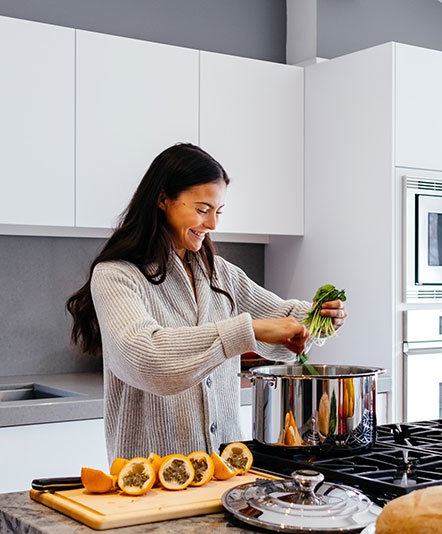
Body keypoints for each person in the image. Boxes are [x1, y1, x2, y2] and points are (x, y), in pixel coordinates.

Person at [67, 143, 346, 461]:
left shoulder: (220, 274)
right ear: (162, 200)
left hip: (227, 471)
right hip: (151, 479)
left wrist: (319, 318)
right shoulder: (117, 276)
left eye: (218, 211)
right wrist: (246, 331)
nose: (213, 224)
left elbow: (281, 320)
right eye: (202, 210)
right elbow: (148, 358)